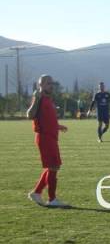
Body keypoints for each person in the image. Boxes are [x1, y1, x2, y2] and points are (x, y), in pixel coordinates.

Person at [26, 75, 69, 207]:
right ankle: (52, 199)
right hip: (45, 137)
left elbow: (47, 119)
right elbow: (29, 115)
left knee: (53, 166)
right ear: (41, 85)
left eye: (52, 83)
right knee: (54, 166)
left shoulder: (48, 99)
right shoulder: (39, 98)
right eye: (48, 83)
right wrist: (36, 99)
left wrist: (58, 126)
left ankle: (37, 192)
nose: (51, 86)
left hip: (51, 137)